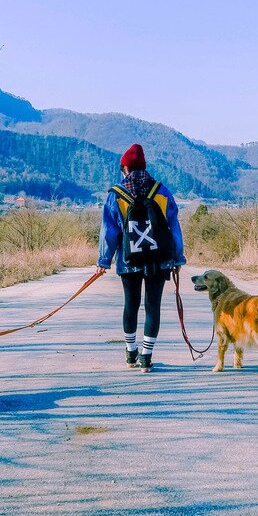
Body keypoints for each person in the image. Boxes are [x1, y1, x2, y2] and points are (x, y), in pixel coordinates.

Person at [98, 143, 186, 373]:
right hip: (159, 259)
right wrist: (178, 259)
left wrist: (104, 261)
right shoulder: (162, 191)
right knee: (152, 306)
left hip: (129, 260)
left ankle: (130, 353)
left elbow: (109, 232)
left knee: (131, 304)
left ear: (124, 167)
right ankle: (146, 358)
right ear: (145, 167)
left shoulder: (116, 194)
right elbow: (174, 228)